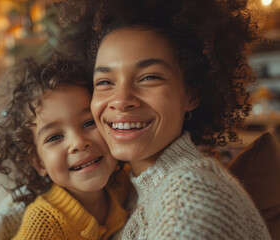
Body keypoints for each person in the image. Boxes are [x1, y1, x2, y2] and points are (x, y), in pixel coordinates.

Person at [55, 0, 272, 239]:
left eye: (149, 77)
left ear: (192, 94)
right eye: (105, 82)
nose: (121, 100)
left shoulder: (192, 199)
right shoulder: (128, 190)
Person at [0, 53, 130, 240]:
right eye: (54, 137)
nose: (78, 142)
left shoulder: (125, 183)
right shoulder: (42, 223)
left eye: (88, 123)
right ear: (39, 164)